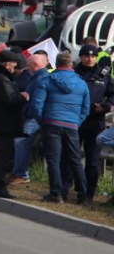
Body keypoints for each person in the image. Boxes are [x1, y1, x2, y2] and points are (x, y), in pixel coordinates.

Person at [29, 52, 91, 204]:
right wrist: (76, 122)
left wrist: (43, 121)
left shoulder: (47, 80)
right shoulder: (82, 83)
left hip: (51, 122)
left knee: (53, 160)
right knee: (75, 159)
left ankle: (56, 194)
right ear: (71, 64)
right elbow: (86, 108)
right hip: (71, 125)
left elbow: (36, 105)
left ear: (56, 64)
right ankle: (83, 195)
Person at [63, 44, 114, 203]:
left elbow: (113, 96)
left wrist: (105, 107)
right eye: (86, 56)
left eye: (92, 56)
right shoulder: (73, 73)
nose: (90, 59)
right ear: (82, 57)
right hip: (75, 121)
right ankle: (63, 190)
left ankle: (87, 195)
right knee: (69, 157)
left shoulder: (104, 75)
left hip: (95, 122)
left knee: (92, 162)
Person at [0, 50, 27, 199]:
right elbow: (10, 101)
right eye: (13, 64)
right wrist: (22, 98)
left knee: (0, 154)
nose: (15, 68)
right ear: (7, 64)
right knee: (2, 156)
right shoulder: (2, 79)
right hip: (5, 123)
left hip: (0, 122)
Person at [10, 51, 49, 184]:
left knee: (21, 143)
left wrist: (29, 114)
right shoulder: (39, 77)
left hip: (32, 117)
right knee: (20, 142)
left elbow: (36, 102)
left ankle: (21, 174)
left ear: (34, 65)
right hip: (33, 116)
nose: (27, 68)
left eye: (28, 65)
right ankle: (18, 172)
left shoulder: (39, 79)